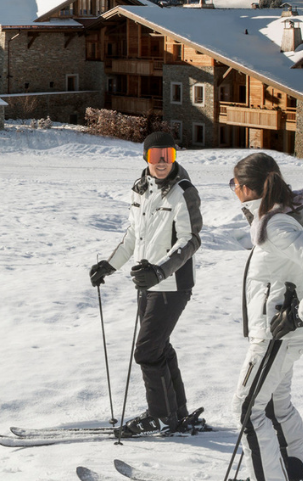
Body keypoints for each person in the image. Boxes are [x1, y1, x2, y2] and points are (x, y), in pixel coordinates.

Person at [228, 152, 303, 481]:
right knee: (276, 407)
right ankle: (299, 474)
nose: (233, 189)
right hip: (282, 336)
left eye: (234, 183)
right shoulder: (279, 217)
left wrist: (302, 315)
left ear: (247, 188)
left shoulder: (275, 225)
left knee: (247, 410)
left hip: (276, 336)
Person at [89, 131, 203, 435]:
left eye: (169, 156)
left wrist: (160, 271)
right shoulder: (140, 189)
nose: (162, 162)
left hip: (173, 285)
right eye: (156, 156)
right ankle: (175, 412)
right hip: (146, 285)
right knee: (159, 347)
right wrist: (109, 266)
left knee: (147, 350)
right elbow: (132, 235)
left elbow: (190, 241)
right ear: (145, 157)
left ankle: (161, 415)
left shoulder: (183, 192)